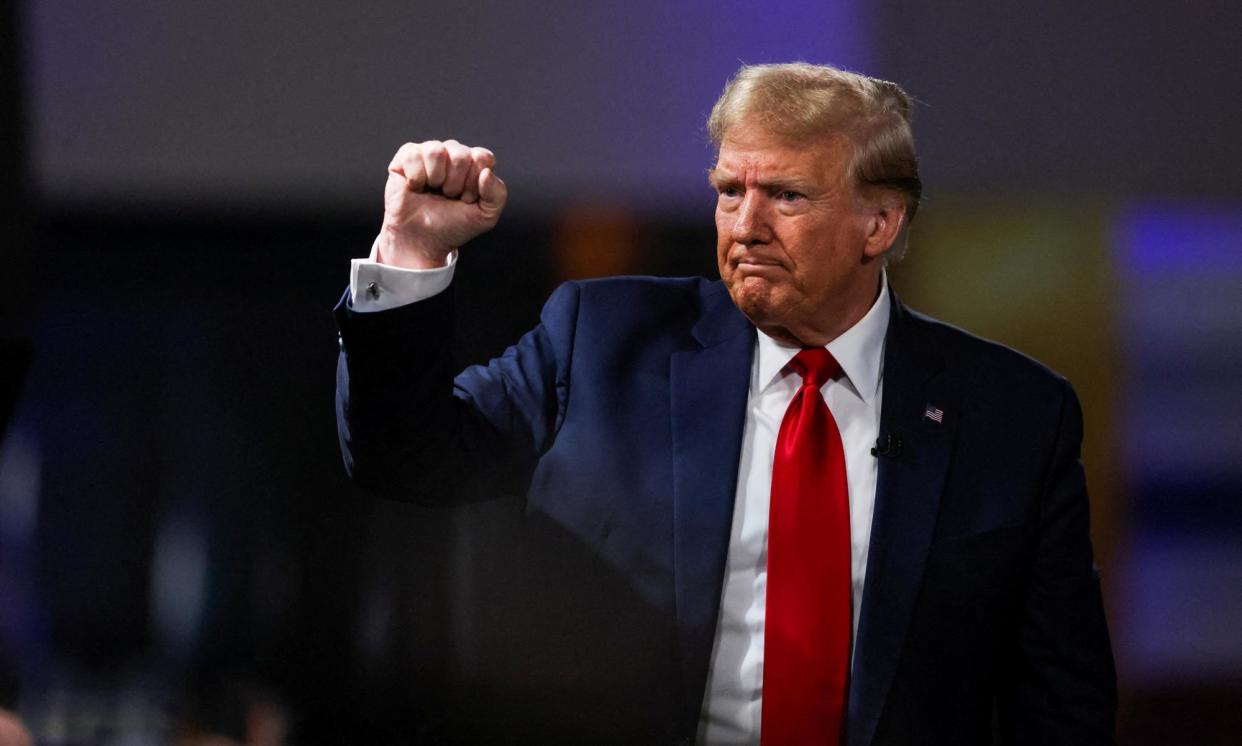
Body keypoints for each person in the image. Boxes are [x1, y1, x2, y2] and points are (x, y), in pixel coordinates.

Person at [334, 63, 1117, 745]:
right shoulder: (601, 340)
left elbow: (1060, 703)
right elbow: (406, 457)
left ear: (880, 222)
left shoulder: (1014, 415)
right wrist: (411, 252)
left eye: (786, 196)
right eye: (729, 190)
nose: (746, 226)